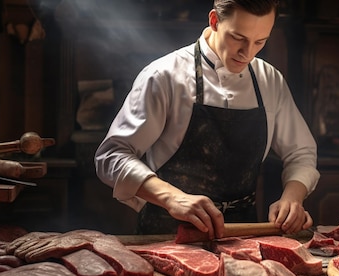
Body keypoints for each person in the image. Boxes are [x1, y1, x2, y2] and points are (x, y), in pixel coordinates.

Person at [94, 0, 320, 237]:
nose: (248, 52)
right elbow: (111, 156)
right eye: (238, 38)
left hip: (244, 236)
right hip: (168, 235)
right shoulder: (164, 76)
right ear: (214, 21)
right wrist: (172, 197)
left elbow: (301, 153)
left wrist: (293, 198)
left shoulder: (269, 80)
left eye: (260, 41)